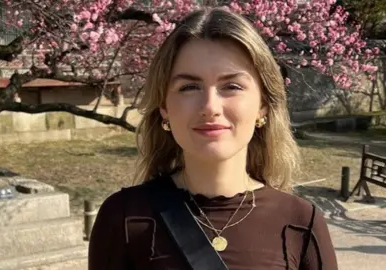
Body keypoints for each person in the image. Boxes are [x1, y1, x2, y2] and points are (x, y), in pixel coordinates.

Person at [89, 7, 338, 270]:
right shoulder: (125, 218)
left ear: (263, 105)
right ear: (164, 106)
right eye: (189, 87)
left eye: (232, 86)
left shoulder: (300, 222)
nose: (210, 106)